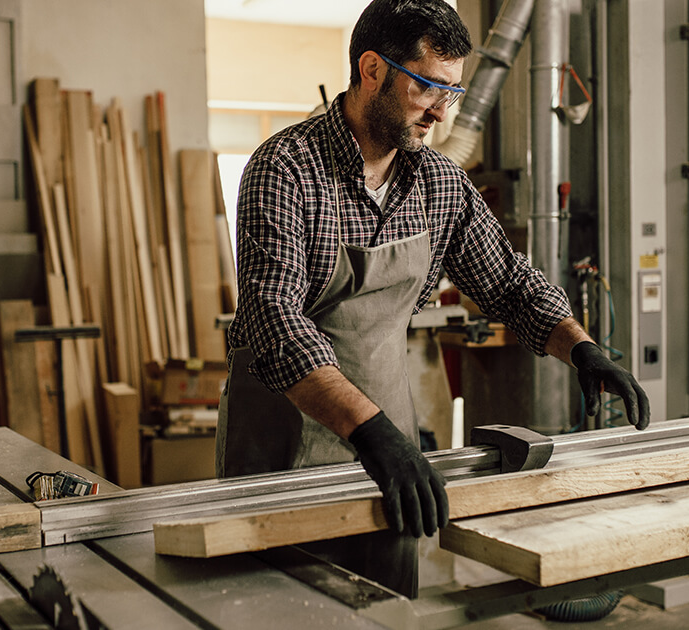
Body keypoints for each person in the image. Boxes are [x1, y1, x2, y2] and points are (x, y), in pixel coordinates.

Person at [216, 0, 650, 598]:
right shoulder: (285, 168)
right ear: (372, 70)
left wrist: (581, 349)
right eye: (428, 87)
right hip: (282, 451)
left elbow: (508, 281)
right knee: (276, 607)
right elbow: (274, 322)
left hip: (386, 455)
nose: (443, 109)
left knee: (384, 603)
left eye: (454, 91)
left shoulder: (438, 182)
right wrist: (372, 433)